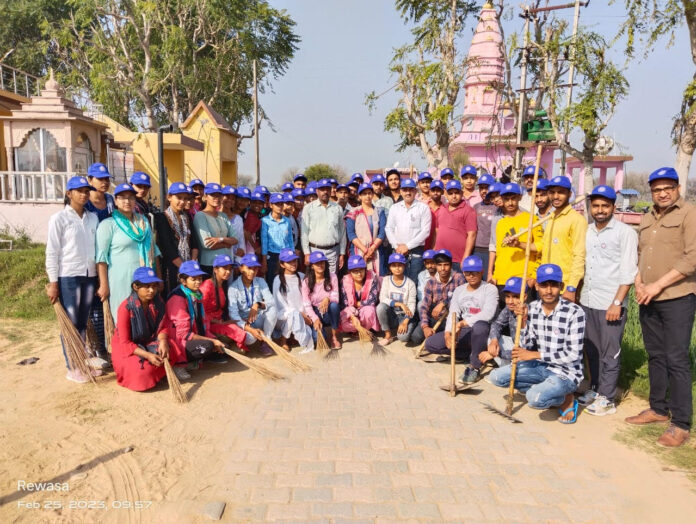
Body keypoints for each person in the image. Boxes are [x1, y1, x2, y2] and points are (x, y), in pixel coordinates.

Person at [625, 167, 696, 447]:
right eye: (657, 189)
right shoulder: (647, 217)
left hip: (677, 296)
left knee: (676, 358)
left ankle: (681, 424)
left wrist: (657, 286)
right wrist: (640, 284)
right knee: (655, 354)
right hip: (648, 297)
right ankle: (657, 408)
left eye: (668, 187)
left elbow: (692, 258)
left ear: (677, 188)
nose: (662, 193)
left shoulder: (689, 214)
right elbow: (641, 255)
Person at [488, 264, 585, 424]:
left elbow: (572, 354)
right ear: (537, 286)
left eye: (553, 285)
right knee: (496, 377)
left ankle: (566, 398)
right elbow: (526, 343)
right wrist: (524, 322)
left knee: (534, 399)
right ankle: (547, 389)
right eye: (544, 285)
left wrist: (535, 355)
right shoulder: (531, 308)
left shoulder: (575, 312)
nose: (548, 290)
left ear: (561, 286)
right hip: (540, 366)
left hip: (566, 372)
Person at [577, 185, 638, 415]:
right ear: (591, 207)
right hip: (588, 300)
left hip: (610, 302)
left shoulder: (625, 233)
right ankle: (594, 389)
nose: (600, 210)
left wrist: (617, 303)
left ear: (613, 206)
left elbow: (628, 271)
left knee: (609, 351)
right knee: (591, 349)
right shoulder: (588, 231)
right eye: (596, 205)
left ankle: (607, 397)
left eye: (605, 205)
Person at [46, 175, 105, 382]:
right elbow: (52, 252)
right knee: (71, 324)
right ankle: (73, 367)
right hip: (68, 277)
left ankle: (83, 363)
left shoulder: (93, 218)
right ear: (69, 193)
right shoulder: (59, 219)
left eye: (86, 191)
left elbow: (96, 250)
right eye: (79, 191)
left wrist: (98, 277)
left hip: (89, 276)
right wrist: (54, 283)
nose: (84, 194)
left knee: (82, 322)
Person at [422, 256, 498, 382]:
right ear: (464, 273)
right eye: (468, 273)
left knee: (480, 326)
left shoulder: (490, 289)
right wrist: (448, 334)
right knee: (430, 344)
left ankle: (474, 367)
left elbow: (488, 314)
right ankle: (472, 354)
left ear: (482, 272)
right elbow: (454, 313)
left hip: (484, 332)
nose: (471, 276)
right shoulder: (459, 290)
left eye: (475, 272)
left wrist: (462, 323)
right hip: (464, 331)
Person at [112, 267, 187, 389]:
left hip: (148, 341)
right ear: (136, 287)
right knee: (141, 373)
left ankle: (156, 372)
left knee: (170, 348)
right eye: (147, 286)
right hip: (128, 348)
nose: (151, 290)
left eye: (154, 286)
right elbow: (125, 343)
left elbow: (163, 327)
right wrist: (148, 355)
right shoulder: (125, 308)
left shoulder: (158, 302)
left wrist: (162, 341)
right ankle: (152, 373)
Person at [97, 183, 161, 317]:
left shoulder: (143, 222)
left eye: (131, 197)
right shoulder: (108, 225)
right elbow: (101, 258)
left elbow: (154, 251)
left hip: (146, 280)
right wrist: (103, 285)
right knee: (124, 316)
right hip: (121, 279)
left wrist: (158, 278)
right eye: (122, 197)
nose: (127, 201)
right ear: (115, 201)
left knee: (145, 317)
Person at [166, 260, 229, 374]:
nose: (198, 282)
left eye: (199, 278)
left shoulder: (196, 294)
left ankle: (199, 358)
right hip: (178, 342)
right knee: (208, 345)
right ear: (183, 280)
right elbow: (184, 334)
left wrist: (214, 339)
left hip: (191, 336)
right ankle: (178, 365)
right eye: (193, 279)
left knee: (223, 345)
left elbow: (203, 323)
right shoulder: (178, 298)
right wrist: (212, 341)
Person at [489, 183, 542, 303]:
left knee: (522, 318)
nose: (510, 203)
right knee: (504, 319)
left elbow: (540, 248)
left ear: (520, 197)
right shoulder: (500, 223)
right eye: (506, 199)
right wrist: (494, 275)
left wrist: (533, 276)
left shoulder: (532, 219)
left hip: (523, 279)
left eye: (513, 198)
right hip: (502, 279)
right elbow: (499, 252)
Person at [540, 176, 587, 302]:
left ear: (569, 194)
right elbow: (543, 246)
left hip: (564, 286)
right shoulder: (552, 218)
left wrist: (571, 288)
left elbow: (580, 256)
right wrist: (519, 244)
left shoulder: (577, 220)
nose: (556, 196)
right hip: (547, 284)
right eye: (552, 192)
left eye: (560, 192)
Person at [154, 182, 200, 295]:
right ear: (169, 197)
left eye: (185, 198)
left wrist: (192, 264)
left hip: (188, 266)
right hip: (171, 268)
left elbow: (194, 243)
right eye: (179, 198)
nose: (182, 202)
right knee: (173, 298)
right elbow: (167, 247)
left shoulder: (187, 217)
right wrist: (185, 269)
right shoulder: (161, 217)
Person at [412, 249, 466, 345]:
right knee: (416, 338)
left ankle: (442, 337)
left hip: (453, 318)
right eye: (440, 265)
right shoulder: (431, 282)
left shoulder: (459, 278)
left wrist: (443, 303)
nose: (443, 268)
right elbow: (424, 306)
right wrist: (425, 327)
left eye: (446, 265)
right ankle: (438, 337)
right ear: (436, 266)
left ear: (451, 265)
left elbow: (461, 299)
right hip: (437, 318)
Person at [227, 254, 277, 353]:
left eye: (255, 269)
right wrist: (249, 329)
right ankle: (239, 342)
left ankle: (266, 341)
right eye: (249, 268)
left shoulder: (260, 281)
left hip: (258, 317)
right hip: (244, 322)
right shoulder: (233, 288)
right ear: (241, 268)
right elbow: (233, 315)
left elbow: (271, 301)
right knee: (250, 339)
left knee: (273, 310)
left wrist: (257, 304)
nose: (252, 272)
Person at [385, 178, 432, 284]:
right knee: (398, 282)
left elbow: (426, 231)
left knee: (413, 282)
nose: (408, 192)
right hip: (397, 251)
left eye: (410, 190)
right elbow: (389, 228)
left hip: (416, 252)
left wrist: (408, 246)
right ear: (401, 191)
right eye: (405, 190)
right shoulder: (394, 207)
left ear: (415, 191)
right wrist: (397, 246)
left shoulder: (423, 208)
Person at [199, 254, 248, 351]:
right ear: (215, 269)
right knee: (233, 333)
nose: (228, 272)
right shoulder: (207, 286)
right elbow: (200, 313)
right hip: (209, 324)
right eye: (225, 268)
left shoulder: (221, 285)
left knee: (242, 327)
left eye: (230, 269)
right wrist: (220, 322)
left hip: (219, 320)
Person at [193, 183, 242, 275]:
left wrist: (220, 239)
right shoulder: (200, 216)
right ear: (206, 196)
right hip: (209, 264)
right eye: (213, 195)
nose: (217, 198)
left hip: (225, 264)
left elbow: (235, 239)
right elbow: (207, 244)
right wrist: (226, 244)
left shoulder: (223, 216)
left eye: (219, 195)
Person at [273, 249, 315, 354]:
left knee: (311, 338)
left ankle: (293, 336)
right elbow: (280, 305)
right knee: (293, 314)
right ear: (282, 265)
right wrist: (300, 314)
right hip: (284, 316)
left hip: (303, 315)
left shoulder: (301, 276)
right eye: (289, 262)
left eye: (295, 261)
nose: (293, 264)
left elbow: (306, 297)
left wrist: (305, 314)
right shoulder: (278, 280)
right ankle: (283, 340)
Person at [301, 178, 347, 273]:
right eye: (322, 189)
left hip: (333, 251)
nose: (325, 192)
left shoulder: (337, 208)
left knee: (332, 281)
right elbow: (304, 232)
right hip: (314, 250)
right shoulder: (308, 208)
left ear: (331, 191)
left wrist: (342, 253)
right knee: (314, 281)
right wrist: (306, 253)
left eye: (327, 189)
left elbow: (342, 232)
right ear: (317, 191)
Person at [478, 276, 524, 368]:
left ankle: (510, 371)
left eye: (515, 297)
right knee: (492, 338)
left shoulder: (530, 313)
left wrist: (495, 354)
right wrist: (494, 341)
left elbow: (525, 351)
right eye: (508, 296)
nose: (510, 301)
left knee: (495, 378)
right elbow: (497, 324)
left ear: (525, 296)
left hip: (527, 357)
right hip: (514, 349)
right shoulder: (509, 309)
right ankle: (507, 369)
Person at [433, 179, 477, 272]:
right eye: (450, 193)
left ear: (462, 193)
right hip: (441, 259)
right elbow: (437, 231)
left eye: (456, 193)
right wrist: (434, 250)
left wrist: (465, 257)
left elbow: (472, 235)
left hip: (458, 260)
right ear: (445, 194)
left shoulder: (468, 210)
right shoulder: (442, 209)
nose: (453, 196)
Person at [302, 251, 341, 349]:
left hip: (328, 311)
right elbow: (306, 305)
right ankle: (320, 330)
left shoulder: (332, 277)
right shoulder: (306, 282)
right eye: (317, 263)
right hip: (314, 312)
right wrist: (315, 319)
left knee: (334, 306)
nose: (320, 265)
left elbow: (336, 297)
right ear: (312, 266)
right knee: (318, 340)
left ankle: (334, 337)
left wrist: (327, 298)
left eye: (322, 262)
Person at [346, 183, 386, 275]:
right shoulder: (353, 212)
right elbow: (351, 234)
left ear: (372, 195)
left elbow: (382, 232)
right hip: (359, 250)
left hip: (376, 250)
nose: (367, 196)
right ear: (359, 196)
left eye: (369, 193)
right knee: (360, 277)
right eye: (364, 194)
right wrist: (365, 250)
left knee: (378, 278)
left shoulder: (380, 211)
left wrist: (372, 248)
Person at [376, 253, 417, 344]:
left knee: (403, 338)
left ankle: (412, 323)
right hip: (392, 314)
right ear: (390, 267)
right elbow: (382, 298)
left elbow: (412, 304)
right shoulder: (386, 280)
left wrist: (405, 321)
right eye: (394, 266)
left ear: (404, 266)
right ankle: (388, 335)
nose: (397, 268)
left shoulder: (410, 284)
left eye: (400, 265)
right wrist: (399, 304)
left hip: (404, 315)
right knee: (380, 307)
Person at [339, 255, 381, 334]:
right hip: (351, 310)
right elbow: (344, 304)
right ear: (350, 272)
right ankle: (356, 330)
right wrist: (352, 316)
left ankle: (366, 329)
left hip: (365, 309)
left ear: (365, 269)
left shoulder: (372, 279)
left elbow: (373, 301)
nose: (359, 274)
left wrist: (359, 304)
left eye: (361, 270)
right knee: (344, 320)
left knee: (369, 311)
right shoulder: (345, 281)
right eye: (355, 271)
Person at [260, 193, 294, 287]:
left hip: (285, 255)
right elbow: (264, 241)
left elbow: (290, 239)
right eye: (277, 204)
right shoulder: (265, 220)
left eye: (281, 204)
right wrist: (264, 261)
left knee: (285, 281)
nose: (279, 206)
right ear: (271, 205)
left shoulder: (287, 221)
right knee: (272, 281)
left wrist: (292, 256)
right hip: (272, 256)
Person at [472, 174, 497, 279]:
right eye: (481, 188)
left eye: (486, 187)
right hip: (477, 250)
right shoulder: (476, 207)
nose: (483, 191)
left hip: (492, 251)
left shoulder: (498, 207)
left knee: (489, 280)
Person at [221, 185, 246, 264]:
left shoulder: (238, 219)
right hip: (217, 256)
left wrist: (241, 249)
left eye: (233, 199)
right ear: (221, 197)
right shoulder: (215, 216)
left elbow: (241, 239)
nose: (230, 200)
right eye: (227, 197)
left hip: (233, 258)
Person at [244, 191, 265, 255]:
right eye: (255, 202)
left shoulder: (258, 215)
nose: (257, 205)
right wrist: (255, 247)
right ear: (250, 203)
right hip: (248, 247)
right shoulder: (250, 215)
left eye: (260, 203)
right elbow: (247, 233)